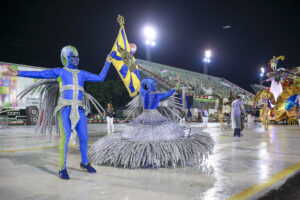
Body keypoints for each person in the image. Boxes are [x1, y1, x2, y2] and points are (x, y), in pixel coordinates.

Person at [3, 45, 112, 179]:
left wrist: (108, 62)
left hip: (79, 109)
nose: (76, 60)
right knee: (65, 138)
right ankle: (62, 168)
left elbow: (100, 78)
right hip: (64, 109)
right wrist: (19, 73)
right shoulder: (60, 72)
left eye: (77, 57)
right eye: (73, 57)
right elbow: (40, 74)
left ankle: (84, 163)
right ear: (66, 58)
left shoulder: (82, 74)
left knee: (83, 137)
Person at [89, 77, 214, 168]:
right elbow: (142, 86)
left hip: (154, 115)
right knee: (145, 136)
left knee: (154, 136)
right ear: (149, 86)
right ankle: (147, 157)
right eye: (152, 84)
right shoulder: (145, 93)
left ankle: (156, 157)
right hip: (146, 116)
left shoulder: (157, 95)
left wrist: (176, 86)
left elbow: (169, 93)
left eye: (154, 84)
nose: (154, 86)